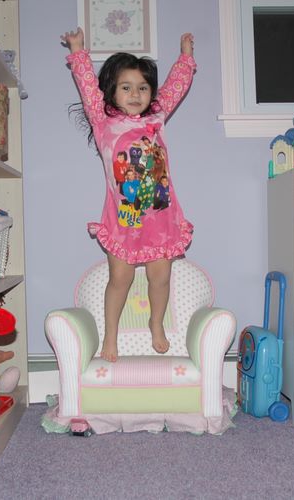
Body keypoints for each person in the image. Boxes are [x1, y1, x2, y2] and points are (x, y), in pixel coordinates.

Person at [61, 27, 196, 362]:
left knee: (160, 277)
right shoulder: (102, 120)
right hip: (125, 218)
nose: (135, 94)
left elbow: (175, 88)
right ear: (112, 91)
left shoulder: (156, 116)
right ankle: (110, 336)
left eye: (143, 87)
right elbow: (87, 88)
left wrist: (186, 58)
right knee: (119, 278)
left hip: (162, 218)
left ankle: (156, 323)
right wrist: (77, 50)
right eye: (126, 87)